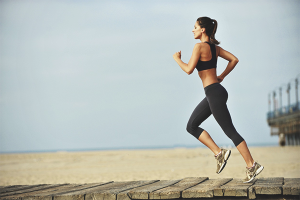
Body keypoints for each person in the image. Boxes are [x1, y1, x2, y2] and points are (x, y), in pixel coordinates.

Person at [172, 16, 264, 183]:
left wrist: (177, 59)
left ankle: (252, 165)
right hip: (214, 92)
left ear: (203, 30)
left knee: (230, 131)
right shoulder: (215, 49)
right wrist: (221, 76)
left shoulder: (198, 47)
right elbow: (234, 59)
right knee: (191, 126)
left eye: (194, 27)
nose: (192, 30)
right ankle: (219, 153)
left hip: (214, 93)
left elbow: (188, 69)